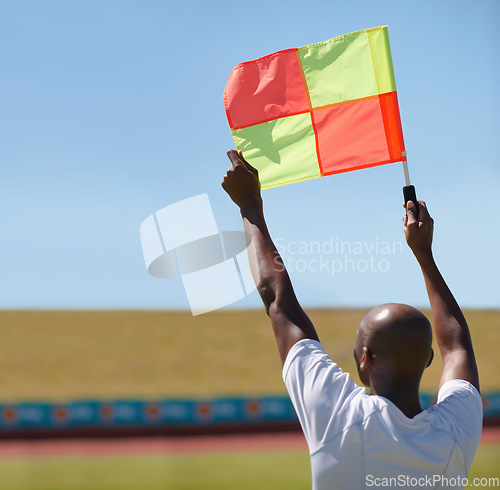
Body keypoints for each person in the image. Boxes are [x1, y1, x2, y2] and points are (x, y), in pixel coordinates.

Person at [222, 150, 482, 490]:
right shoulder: (455, 434)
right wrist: (424, 253)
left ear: (365, 359)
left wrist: (250, 206)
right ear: (428, 360)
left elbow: (276, 301)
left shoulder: (340, 419)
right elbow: (457, 347)